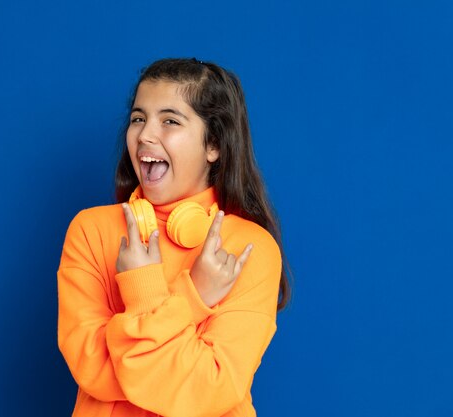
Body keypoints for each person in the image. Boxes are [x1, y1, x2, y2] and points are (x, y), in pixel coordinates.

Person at [57, 58, 291, 417]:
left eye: (169, 121)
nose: (145, 135)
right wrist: (192, 297)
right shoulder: (91, 231)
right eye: (138, 118)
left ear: (213, 144)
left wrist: (138, 316)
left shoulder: (249, 247)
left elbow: (212, 387)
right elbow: (94, 370)